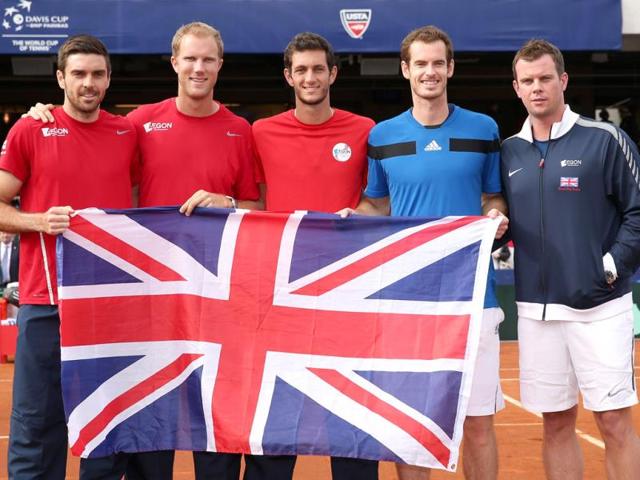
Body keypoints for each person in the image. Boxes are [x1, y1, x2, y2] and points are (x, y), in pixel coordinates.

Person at [26, 22, 261, 480]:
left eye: (207, 59)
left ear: (219, 65)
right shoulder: (136, 125)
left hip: (213, 298)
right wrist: (46, 114)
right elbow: (89, 136)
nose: (198, 67)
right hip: (146, 296)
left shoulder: (239, 130)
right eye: (189, 58)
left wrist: (226, 202)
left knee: (213, 410)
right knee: (147, 412)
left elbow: (255, 205)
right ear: (174, 63)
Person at [338, 25, 508, 480]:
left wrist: (494, 214)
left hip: (473, 299)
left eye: (438, 63)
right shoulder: (383, 135)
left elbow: (495, 196)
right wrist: (352, 219)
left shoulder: (483, 128)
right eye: (420, 64)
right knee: (409, 424)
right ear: (405, 70)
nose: (429, 72)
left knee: (476, 426)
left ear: (450, 68)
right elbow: (376, 203)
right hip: (406, 302)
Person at [0, 34, 139, 480]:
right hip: (47, 303)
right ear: (61, 78)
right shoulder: (30, 129)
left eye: (97, 74)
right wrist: (38, 221)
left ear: (109, 79)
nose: (88, 83)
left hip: (112, 304)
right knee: (37, 424)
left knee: (106, 422)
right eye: (78, 73)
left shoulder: (127, 133)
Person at [502, 39, 640, 480]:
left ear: (563, 81)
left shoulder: (606, 140)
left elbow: (638, 211)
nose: (537, 88)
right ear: (517, 88)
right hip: (536, 312)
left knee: (614, 422)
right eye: (528, 81)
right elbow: (497, 214)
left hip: (599, 307)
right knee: (556, 422)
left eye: (545, 78)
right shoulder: (508, 152)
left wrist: (611, 265)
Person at [252, 32, 377, 479]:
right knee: (275, 421)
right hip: (281, 295)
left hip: (348, 296)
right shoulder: (260, 133)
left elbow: (380, 203)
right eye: (301, 70)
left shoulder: (365, 131)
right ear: (289, 76)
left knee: (349, 418)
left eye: (318, 69)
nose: (310, 77)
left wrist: (357, 213)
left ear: (333, 74)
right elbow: (250, 205)